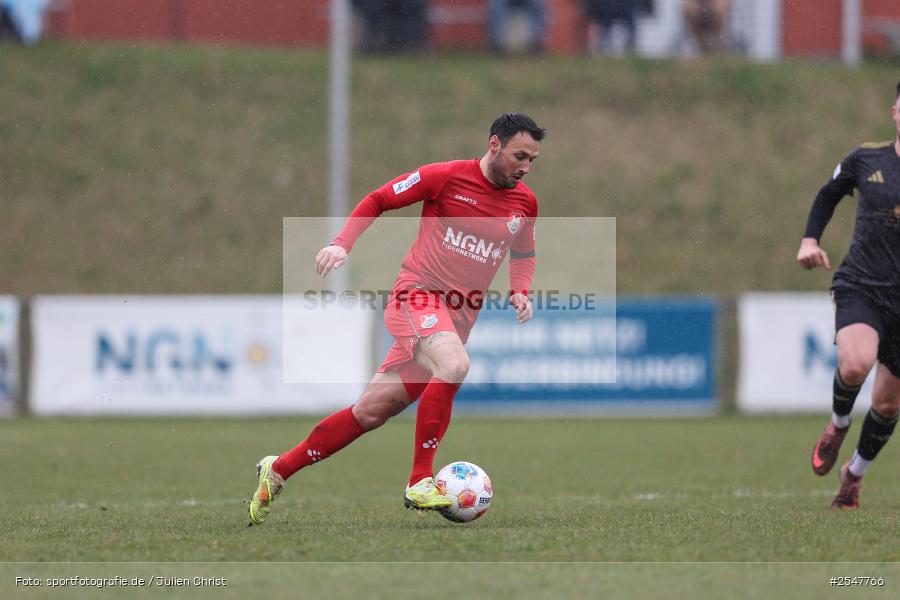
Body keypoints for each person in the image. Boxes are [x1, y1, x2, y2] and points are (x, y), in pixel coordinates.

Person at [248, 113, 545, 525]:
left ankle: (278, 469)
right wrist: (341, 244)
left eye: (532, 160)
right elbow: (378, 199)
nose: (526, 167)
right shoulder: (443, 178)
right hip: (417, 295)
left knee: (369, 412)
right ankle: (420, 480)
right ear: (495, 145)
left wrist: (520, 291)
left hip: (456, 319)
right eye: (520, 156)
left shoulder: (523, 203)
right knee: (455, 364)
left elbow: (524, 253)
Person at [799, 82, 900, 510]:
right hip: (862, 284)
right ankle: (838, 424)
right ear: (896, 111)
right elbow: (828, 193)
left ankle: (853, 475)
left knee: (887, 401)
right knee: (856, 363)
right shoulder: (867, 158)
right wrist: (809, 240)